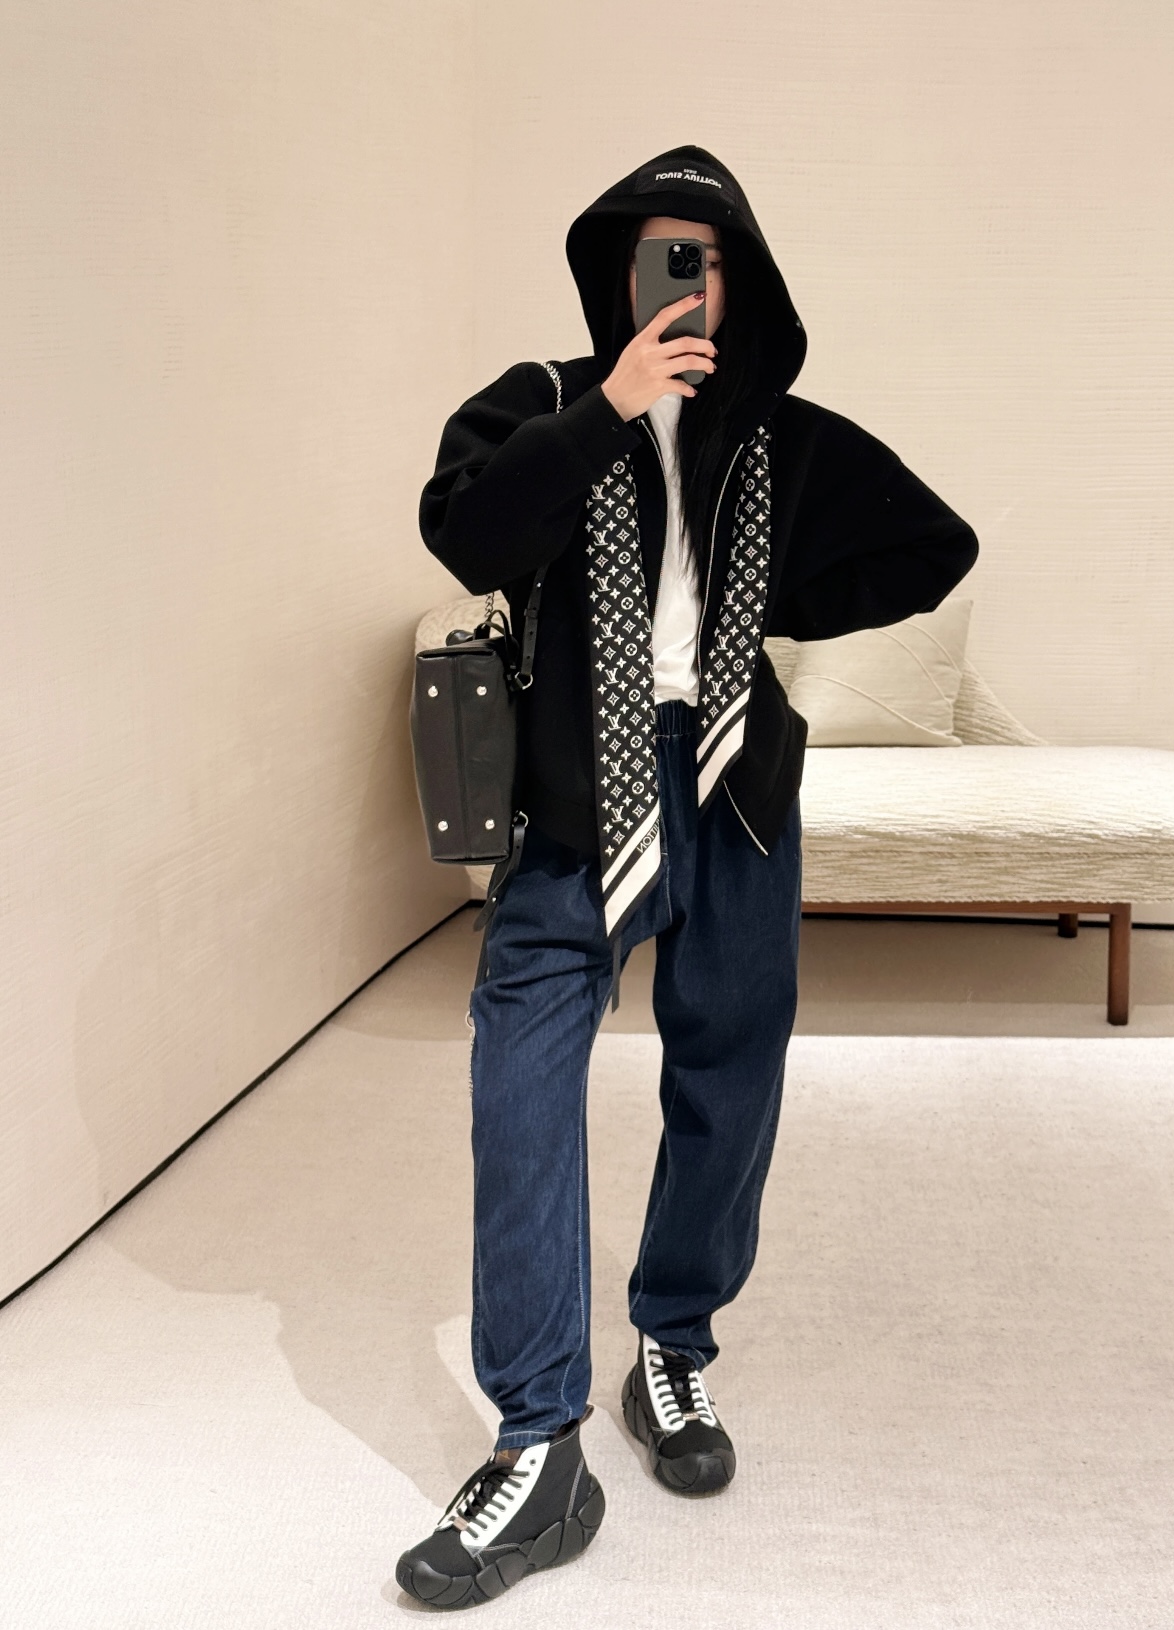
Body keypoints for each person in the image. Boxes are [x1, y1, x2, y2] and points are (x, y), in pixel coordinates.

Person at [395, 145, 979, 1609]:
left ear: (741, 280)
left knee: (729, 1072)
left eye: (704, 260)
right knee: (522, 1084)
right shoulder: (540, 403)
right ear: (615, 275)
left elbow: (932, 546)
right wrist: (607, 409)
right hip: (573, 796)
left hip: (731, 794)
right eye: (658, 257)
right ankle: (540, 1442)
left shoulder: (778, 435)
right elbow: (467, 533)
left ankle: (672, 1343)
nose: (682, 284)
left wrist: (769, 598)